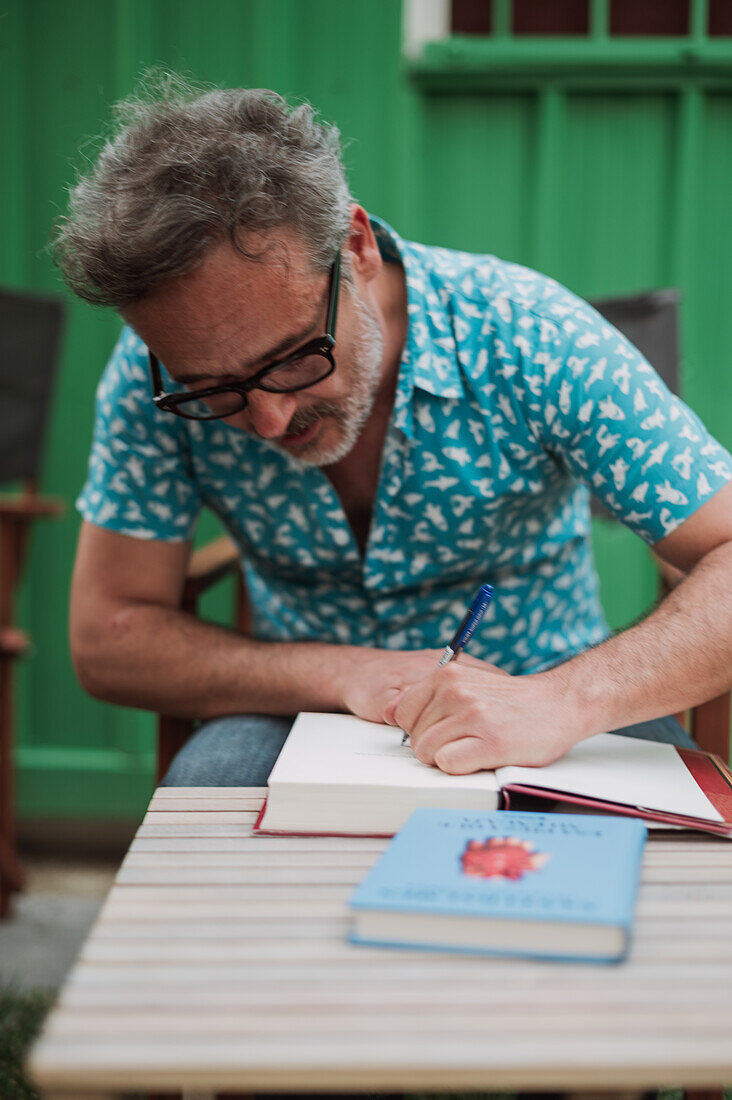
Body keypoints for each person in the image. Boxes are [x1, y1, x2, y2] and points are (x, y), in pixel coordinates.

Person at [57, 79, 732, 787]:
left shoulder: (528, 332)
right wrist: (350, 674)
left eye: (290, 360)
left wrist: (563, 700)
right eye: (213, 390)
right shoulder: (153, 374)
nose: (267, 421)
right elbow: (108, 637)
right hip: (297, 705)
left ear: (355, 248)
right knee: (200, 852)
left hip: (549, 693)